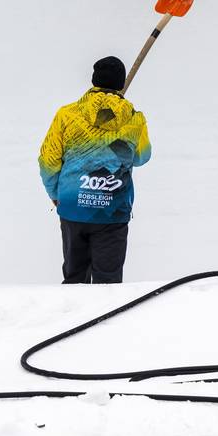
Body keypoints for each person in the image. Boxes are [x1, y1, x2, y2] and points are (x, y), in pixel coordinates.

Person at [38, 57, 151, 284]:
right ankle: (107, 319)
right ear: (120, 85)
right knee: (108, 284)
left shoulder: (66, 115)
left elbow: (48, 161)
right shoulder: (134, 119)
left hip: (72, 207)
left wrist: (56, 195)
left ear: (93, 81)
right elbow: (141, 157)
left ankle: (71, 317)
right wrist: (120, 142)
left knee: (75, 278)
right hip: (112, 211)